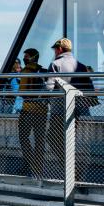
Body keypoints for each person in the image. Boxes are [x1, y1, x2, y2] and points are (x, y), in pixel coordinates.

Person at [43, 38, 82, 175]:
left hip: (59, 110)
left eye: (55, 49)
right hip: (77, 109)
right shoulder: (80, 65)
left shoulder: (55, 64)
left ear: (59, 49)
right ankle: (74, 169)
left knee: (53, 138)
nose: (54, 52)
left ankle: (71, 168)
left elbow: (49, 87)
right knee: (70, 140)